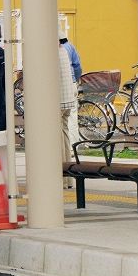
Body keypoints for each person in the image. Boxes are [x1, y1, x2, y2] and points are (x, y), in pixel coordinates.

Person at [59, 40, 80, 189]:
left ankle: (61, 178)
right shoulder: (68, 48)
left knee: (57, 137)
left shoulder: (52, 52)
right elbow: (78, 68)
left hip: (58, 99)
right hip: (69, 93)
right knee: (67, 130)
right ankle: (68, 178)